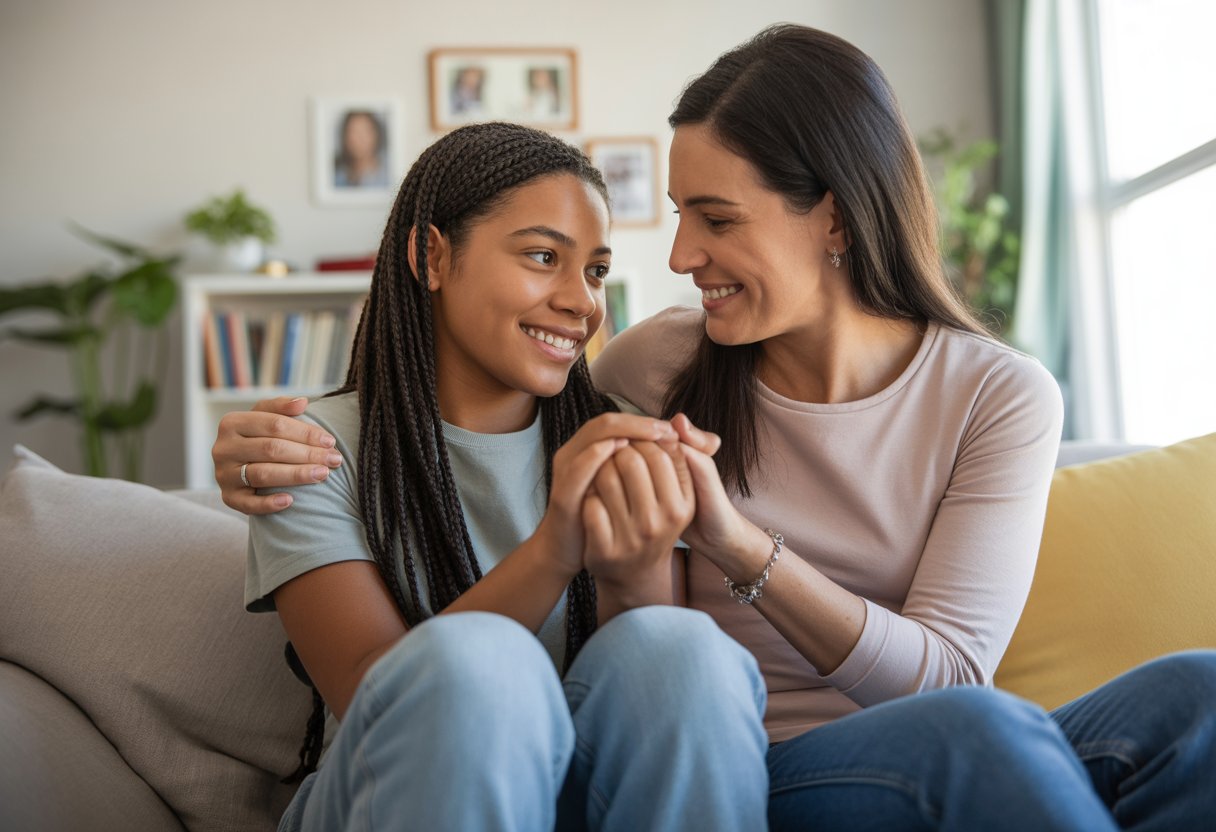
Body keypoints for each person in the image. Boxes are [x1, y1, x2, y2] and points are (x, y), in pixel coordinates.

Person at [216, 25, 1216, 831]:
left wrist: (723, 540)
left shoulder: (989, 394)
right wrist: (258, 444)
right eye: (542, 256)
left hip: (847, 738)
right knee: (976, 737)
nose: (681, 254)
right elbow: (403, 674)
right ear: (434, 256)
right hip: (719, 760)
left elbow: (663, 644)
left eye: (714, 218)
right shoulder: (653, 374)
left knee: (1194, 695)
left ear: (830, 217)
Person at [242, 121, 769, 832]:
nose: (581, 302)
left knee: (683, 650)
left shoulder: (611, 434)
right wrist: (555, 549)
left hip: (568, 803)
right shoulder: (311, 452)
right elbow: (373, 688)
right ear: (431, 256)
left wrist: (628, 567)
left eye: (595, 270)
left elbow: (650, 699)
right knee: (478, 662)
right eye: (543, 255)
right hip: (389, 796)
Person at [332, 110, 388, 188]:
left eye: (364, 132)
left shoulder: (386, 175)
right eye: (354, 132)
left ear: (376, 135)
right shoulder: (336, 176)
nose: (359, 139)